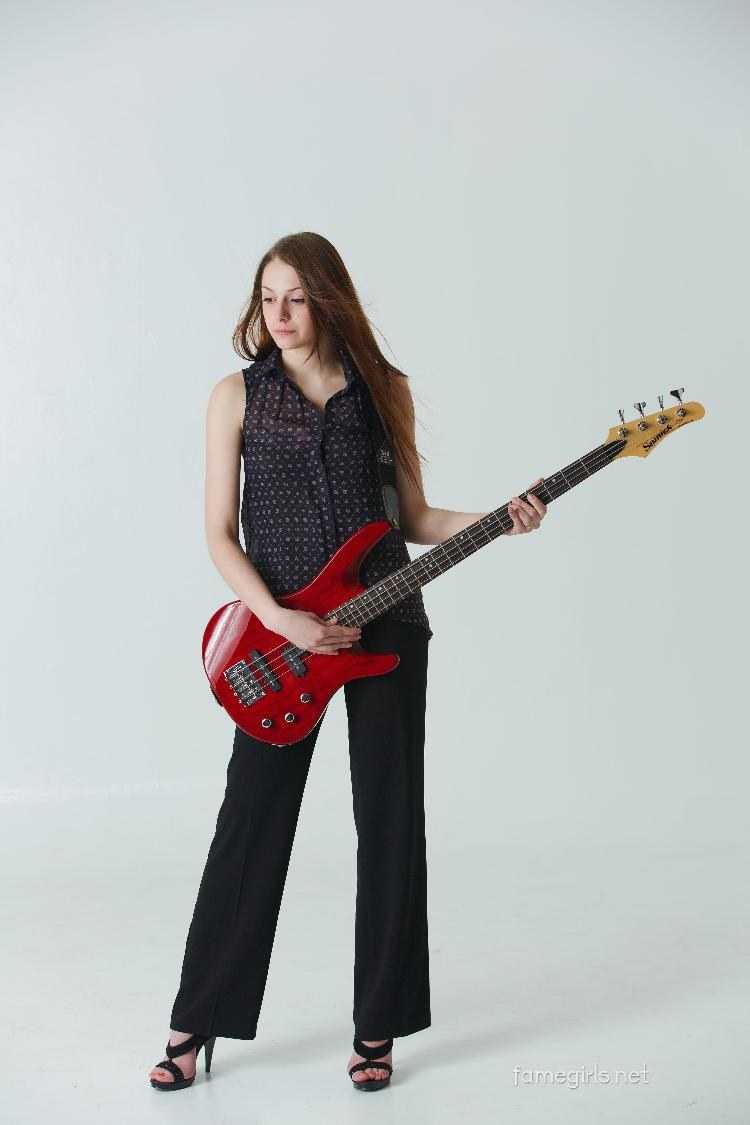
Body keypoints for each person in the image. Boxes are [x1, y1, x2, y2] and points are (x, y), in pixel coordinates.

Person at [148, 231, 548, 1093]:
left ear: (329, 300)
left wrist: (501, 517)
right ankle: (198, 1016)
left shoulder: (383, 390)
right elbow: (218, 532)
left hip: (388, 621)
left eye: (296, 297)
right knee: (252, 820)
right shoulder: (235, 396)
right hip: (279, 641)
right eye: (268, 297)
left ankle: (379, 1024)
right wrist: (282, 620)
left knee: (392, 819)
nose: (279, 314)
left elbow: (415, 517)